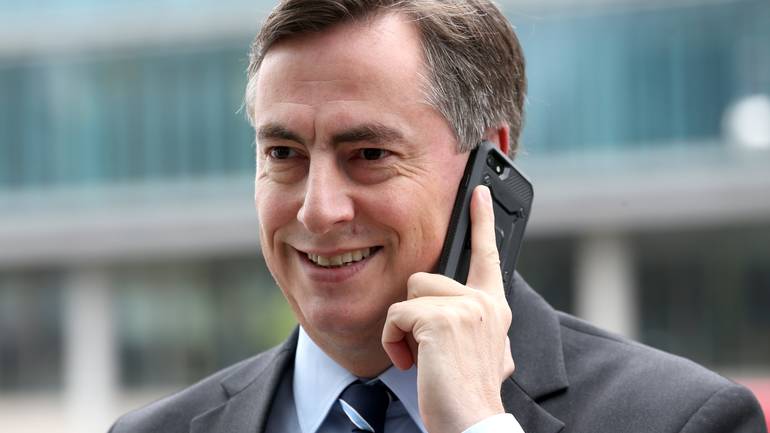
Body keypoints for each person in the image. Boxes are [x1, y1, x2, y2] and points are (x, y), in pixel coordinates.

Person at [110, 0, 767, 432]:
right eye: (283, 154)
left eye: (369, 154)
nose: (318, 210)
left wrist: (480, 425)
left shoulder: (684, 421)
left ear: (489, 161)